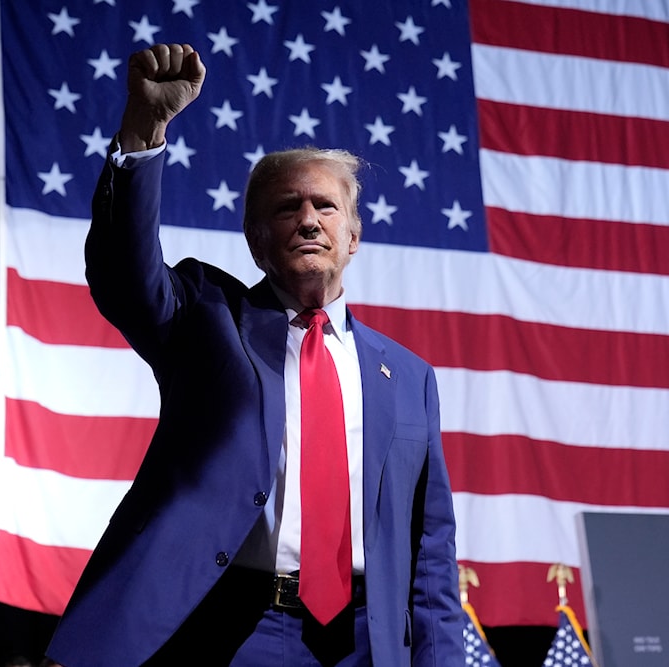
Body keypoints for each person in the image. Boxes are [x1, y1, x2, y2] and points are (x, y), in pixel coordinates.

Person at [44, 43, 464, 666]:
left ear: (354, 235)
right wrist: (144, 132)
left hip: (365, 640)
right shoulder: (208, 319)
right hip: (232, 629)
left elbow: (429, 551)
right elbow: (124, 274)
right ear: (256, 239)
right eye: (286, 208)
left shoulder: (408, 377)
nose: (308, 220)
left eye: (325, 206)